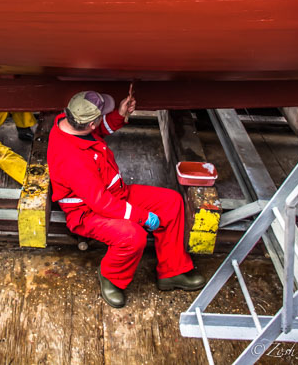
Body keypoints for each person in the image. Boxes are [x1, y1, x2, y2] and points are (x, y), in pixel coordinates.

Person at [47, 90, 205, 308]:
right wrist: (141, 216)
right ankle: (111, 278)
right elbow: (101, 203)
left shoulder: (71, 124)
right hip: (88, 212)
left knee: (171, 203)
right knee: (132, 236)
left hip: (115, 195)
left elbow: (98, 131)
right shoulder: (72, 160)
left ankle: (172, 271)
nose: (103, 119)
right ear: (90, 123)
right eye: (102, 115)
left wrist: (119, 115)